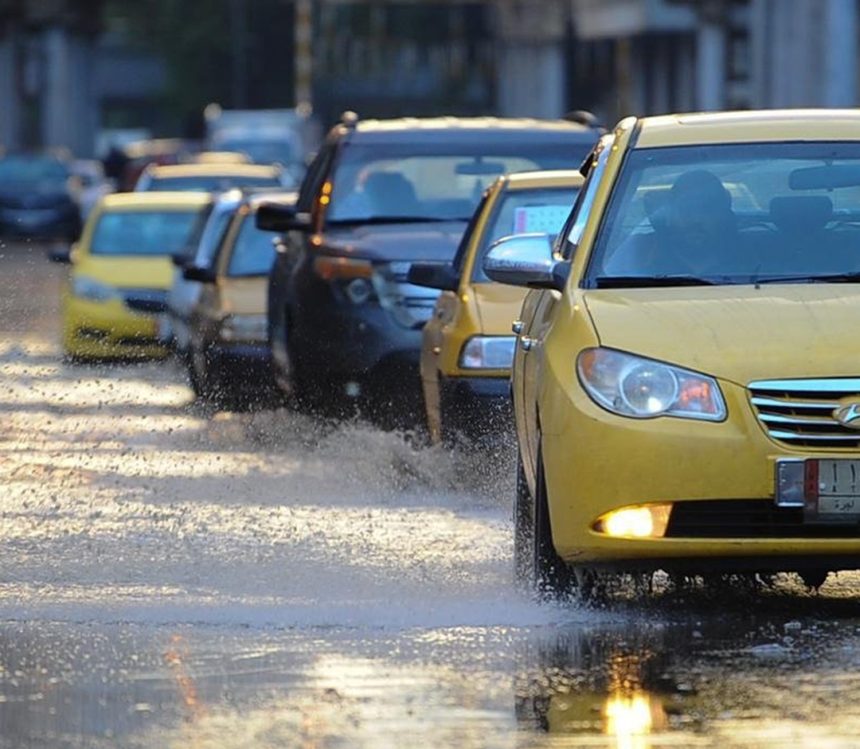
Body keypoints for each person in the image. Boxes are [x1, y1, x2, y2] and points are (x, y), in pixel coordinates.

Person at [604, 169, 738, 276]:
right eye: (686, 209)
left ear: (724, 214)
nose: (695, 219)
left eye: (706, 209)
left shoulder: (753, 253)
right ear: (670, 214)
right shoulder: (639, 252)